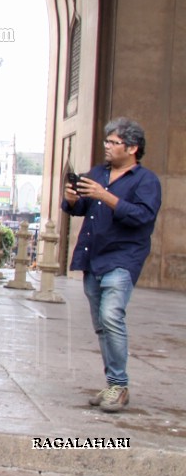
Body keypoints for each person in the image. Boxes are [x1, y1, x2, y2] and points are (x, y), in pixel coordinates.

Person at [62, 117, 161, 413]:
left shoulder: (146, 181)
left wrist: (106, 195)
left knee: (111, 315)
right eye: (106, 141)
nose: (106, 146)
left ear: (132, 148)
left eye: (113, 142)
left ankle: (119, 385)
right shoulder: (98, 173)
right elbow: (82, 208)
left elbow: (143, 216)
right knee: (102, 325)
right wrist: (72, 199)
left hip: (123, 258)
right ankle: (113, 383)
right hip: (93, 256)